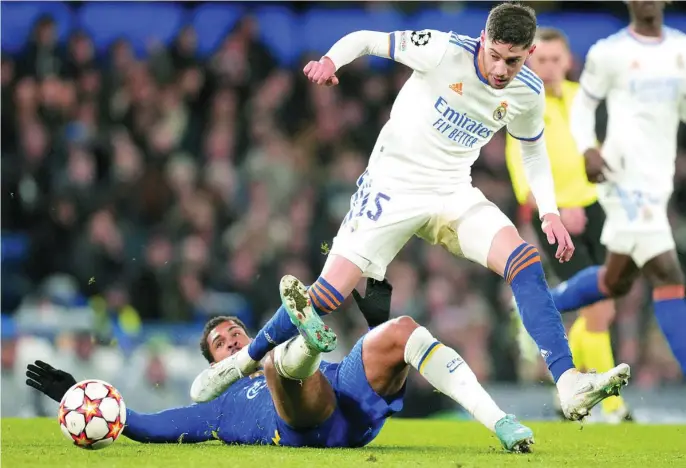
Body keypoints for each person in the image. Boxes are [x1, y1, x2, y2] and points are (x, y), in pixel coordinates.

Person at [203, 2, 630, 421]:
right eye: (495, 56)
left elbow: (532, 148)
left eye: (512, 61)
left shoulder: (527, 91)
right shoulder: (442, 50)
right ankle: (243, 362)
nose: (501, 70)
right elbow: (368, 39)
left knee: (524, 261)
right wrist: (331, 61)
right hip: (393, 185)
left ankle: (569, 382)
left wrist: (549, 212)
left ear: (529, 54)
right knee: (328, 295)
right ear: (483, 40)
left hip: (452, 190)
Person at [26, 279, 535, 452]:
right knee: (278, 369)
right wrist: (78, 391)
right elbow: (141, 425)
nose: (230, 340)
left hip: (347, 402)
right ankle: (302, 337)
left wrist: (375, 329)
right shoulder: (215, 410)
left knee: (401, 328)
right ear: (213, 363)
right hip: (302, 423)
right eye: (222, 344)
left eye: (234, 335)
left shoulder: (229, 386)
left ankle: (501, 423)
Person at [539, 0, 686, 376]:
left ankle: (542, 305)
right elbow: (583, 107)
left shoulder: (680, 50)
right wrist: (588, 147)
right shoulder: (610, 53)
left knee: (614, 281)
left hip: (657, 178)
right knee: (668, 274)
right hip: (621, 176)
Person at [504, 27, 630, 421]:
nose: (550, 67)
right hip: (558, 217)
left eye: (557, 60)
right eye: (542, 60)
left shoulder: (582, 101)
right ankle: (613, 409)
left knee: (604, 310)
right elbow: (523, 180)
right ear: (530, 62)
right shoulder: (524, 105)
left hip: (597, 210)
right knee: (597, 310)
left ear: (568, 61)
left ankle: (567, 392)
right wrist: (557, 208)